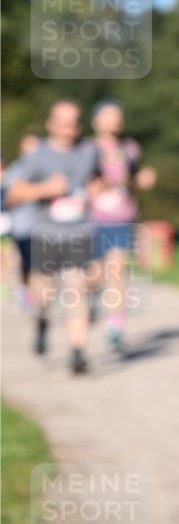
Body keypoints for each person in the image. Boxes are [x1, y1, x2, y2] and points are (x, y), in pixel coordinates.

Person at [6, 101, 100, 374]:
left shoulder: (88, 151)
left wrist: (95, 190)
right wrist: (45, 189)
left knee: (77, 289)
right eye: (63, 122)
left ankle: (78, 351)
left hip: (79, 230)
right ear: (51, 124)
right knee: (44, 293)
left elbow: (96, 179)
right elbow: (13, 194)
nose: (69, 128)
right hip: (45, 233)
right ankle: (42, 320)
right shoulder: (38, 156)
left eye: (74, 122)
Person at [88, 100, 156, 354]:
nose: (115, 121)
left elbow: (133, 177)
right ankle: (91, 297)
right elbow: (83, 183)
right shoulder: (88, 149)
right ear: (96, 121)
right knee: (94, 273)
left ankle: (115, 328)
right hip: (92, 218)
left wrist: (143, 179)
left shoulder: (130, 148)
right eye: (109, 116)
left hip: (122, 217)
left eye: (118, 116)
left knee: (117, 270)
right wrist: (99, 184)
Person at [3, 130, 40, 305]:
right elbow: (9, 199)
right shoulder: (15, 169)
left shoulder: (47, 167)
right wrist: (32, 192)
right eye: (28, 145)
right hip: (23, 224)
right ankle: (26, 289)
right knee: (27, 260)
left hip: (44, 223)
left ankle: (39, 294)